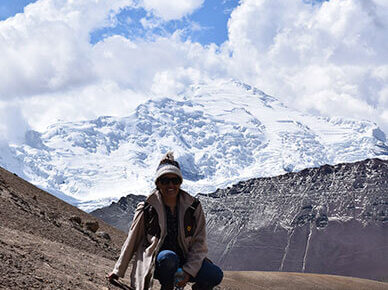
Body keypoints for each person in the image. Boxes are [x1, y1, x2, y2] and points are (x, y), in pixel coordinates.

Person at [107, 152, 223, 290]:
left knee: (215, 274)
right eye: (165, 181)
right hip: (158, 263)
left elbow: (200, 242)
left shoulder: (193, 207)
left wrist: (187, 271)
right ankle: (167, 287)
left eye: (175, 181)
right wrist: (117, 270)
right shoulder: (147, 208)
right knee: (168, 257)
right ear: (158, 183)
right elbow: (132, 240)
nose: (170, 185)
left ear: (180, 183)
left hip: (184, 263)